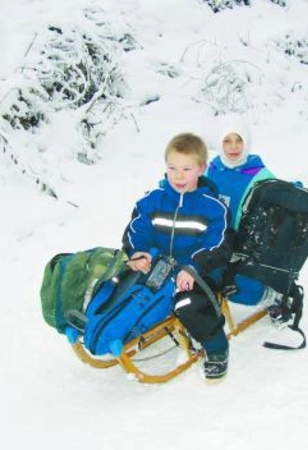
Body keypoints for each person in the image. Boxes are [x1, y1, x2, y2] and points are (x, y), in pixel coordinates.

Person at [122, 132, 231, 381]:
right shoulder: (152, 201)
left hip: (200, 271)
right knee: (126, 286)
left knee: (187, 305)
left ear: (202, 169)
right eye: (172, 168)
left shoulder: (213, 208)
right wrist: (137, 252)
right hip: (160, 266)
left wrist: (193, 267)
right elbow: (136, 230)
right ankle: (120, 328)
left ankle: (216, 347)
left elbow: (218, 244)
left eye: (186, 168)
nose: (178, 175)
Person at [205, 118, 291, 325]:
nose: (234, 147)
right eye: (227, 141)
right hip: (215, 242)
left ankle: (274, 297)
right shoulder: (210, 170)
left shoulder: (261, 175)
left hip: (245, 248)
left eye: (238, 140)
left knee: (234, 286)